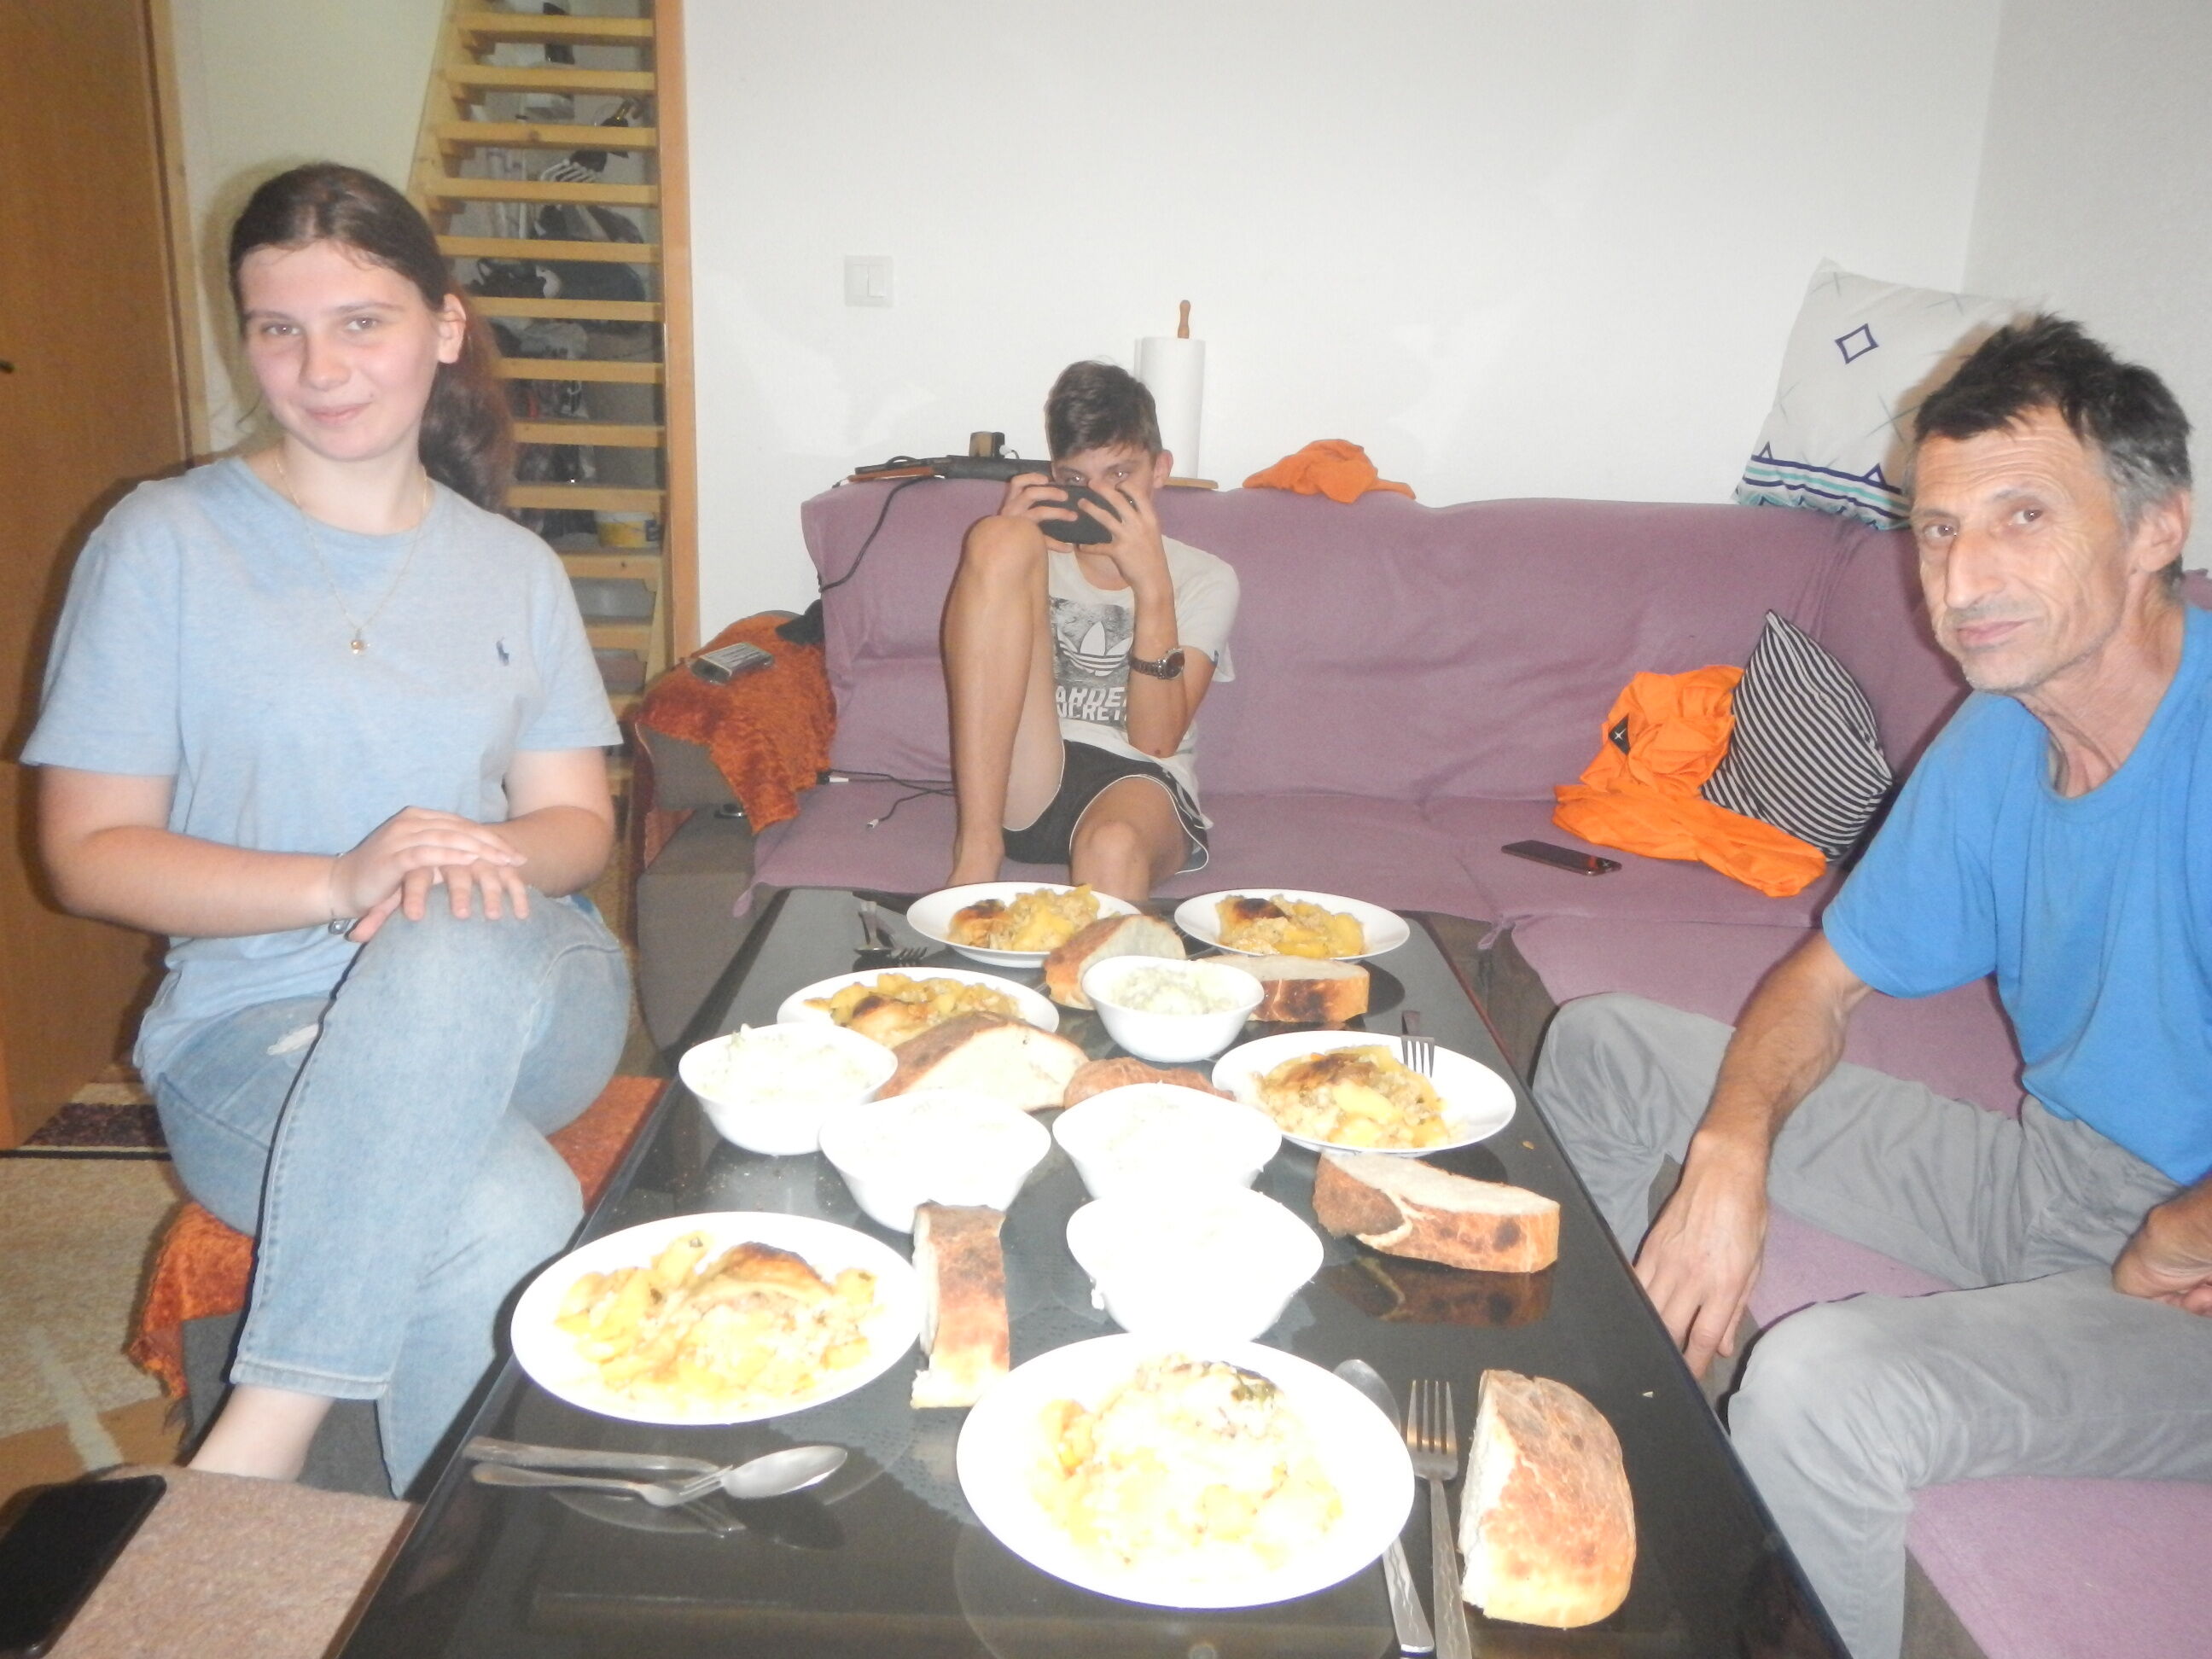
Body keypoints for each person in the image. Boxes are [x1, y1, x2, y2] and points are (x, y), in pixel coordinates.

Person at [1534, 317, 2212, 1659]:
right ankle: (1584, 1445)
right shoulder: (2000, 732)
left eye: (2024, 516)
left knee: (1821, 1383)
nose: (1964, 575)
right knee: (1607, 1048)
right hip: (2053, 1178)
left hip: (2183, 1292)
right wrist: (1732, 1148)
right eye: (1939, 530)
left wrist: (2186, 1231)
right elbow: (1822, 984)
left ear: (2155, 531)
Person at [24, 164, 632, 1495]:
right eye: (278, 328)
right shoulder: (162, 543)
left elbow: (577, 827)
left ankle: (261, 1437)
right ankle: (434, 1573)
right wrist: (343, 880)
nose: (320, 367)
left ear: (444, 327)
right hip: (250, 1034)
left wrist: (462, 864)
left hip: (529, 992)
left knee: (449, 913)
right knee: (501, 1208)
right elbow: (86, 850)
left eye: (362, 321)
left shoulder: (513, 566)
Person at [940, 361, 1238, 902]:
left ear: (1160, 469)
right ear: (1055, 477)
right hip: (1027, 774)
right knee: (998, 539)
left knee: (1113, 846)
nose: (1099, 498)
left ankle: (1106, 958)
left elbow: (1156, 740)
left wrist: (1153, 586)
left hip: (1139, 781)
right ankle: (976, 854)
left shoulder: (1206, 577)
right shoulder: (1032, 554)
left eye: (1120, 475)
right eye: (1077, 481)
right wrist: (1010, 543)